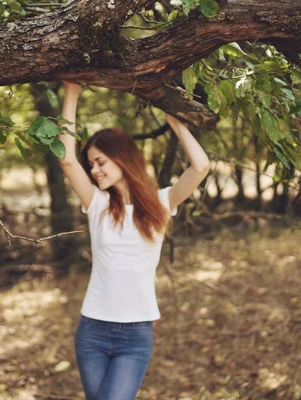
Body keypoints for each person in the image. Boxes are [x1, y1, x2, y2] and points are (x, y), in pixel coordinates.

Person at [58, 81, 210, 400]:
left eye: (101, 162)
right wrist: (71, 92)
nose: (94, 171)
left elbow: (201, 166)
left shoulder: (162, 203)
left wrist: (176, 123)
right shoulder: (96, 203)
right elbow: (67, 160)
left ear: (122, 158)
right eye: (92, 165)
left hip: (135, 335)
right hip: (93, 331)